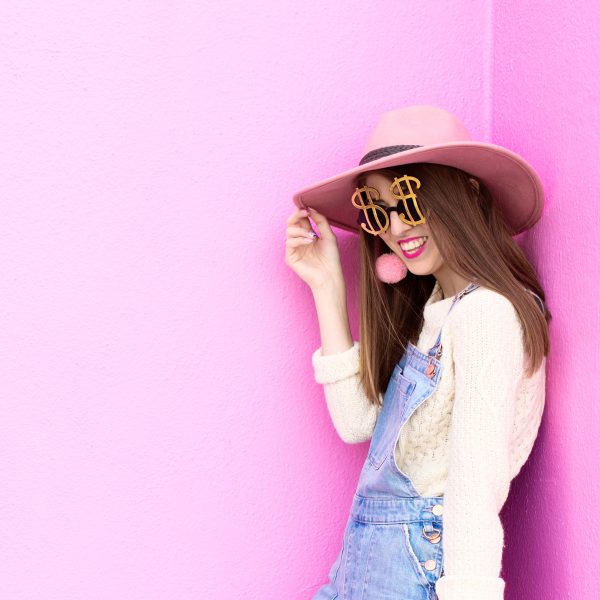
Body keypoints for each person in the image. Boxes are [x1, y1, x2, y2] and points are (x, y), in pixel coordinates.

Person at [284, 106, 551, 600]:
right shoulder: (434, 309)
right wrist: (326, 285)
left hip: (414, 572)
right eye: (377, 209)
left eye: (408, 200)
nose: (395, 227)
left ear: (466, 193)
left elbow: (475, 489)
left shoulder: (486, 314)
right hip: (364, 567)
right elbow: (358, 423)